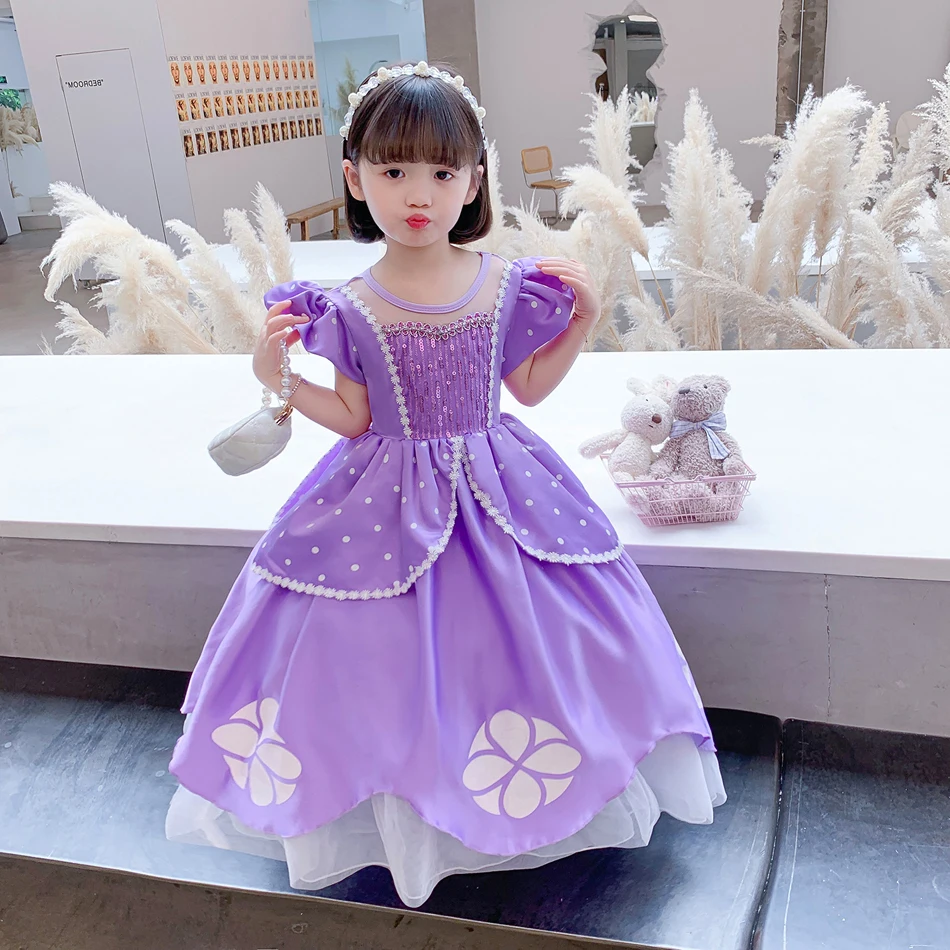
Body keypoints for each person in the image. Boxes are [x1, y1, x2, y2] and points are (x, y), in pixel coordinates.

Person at [166, 60, 724, 909]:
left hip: (503, 485)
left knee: (524, 641)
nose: (418, 194)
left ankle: (531, 789)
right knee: (371, 651)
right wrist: (274, 374)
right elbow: (354, 415)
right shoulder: (349, 304)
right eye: (393, 171)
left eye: (440, 170)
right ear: (356, 178)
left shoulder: (505, 284)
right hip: (380, 495)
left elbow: (526, 388)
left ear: (474, 180)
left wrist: (580, 323)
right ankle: (394, 792)